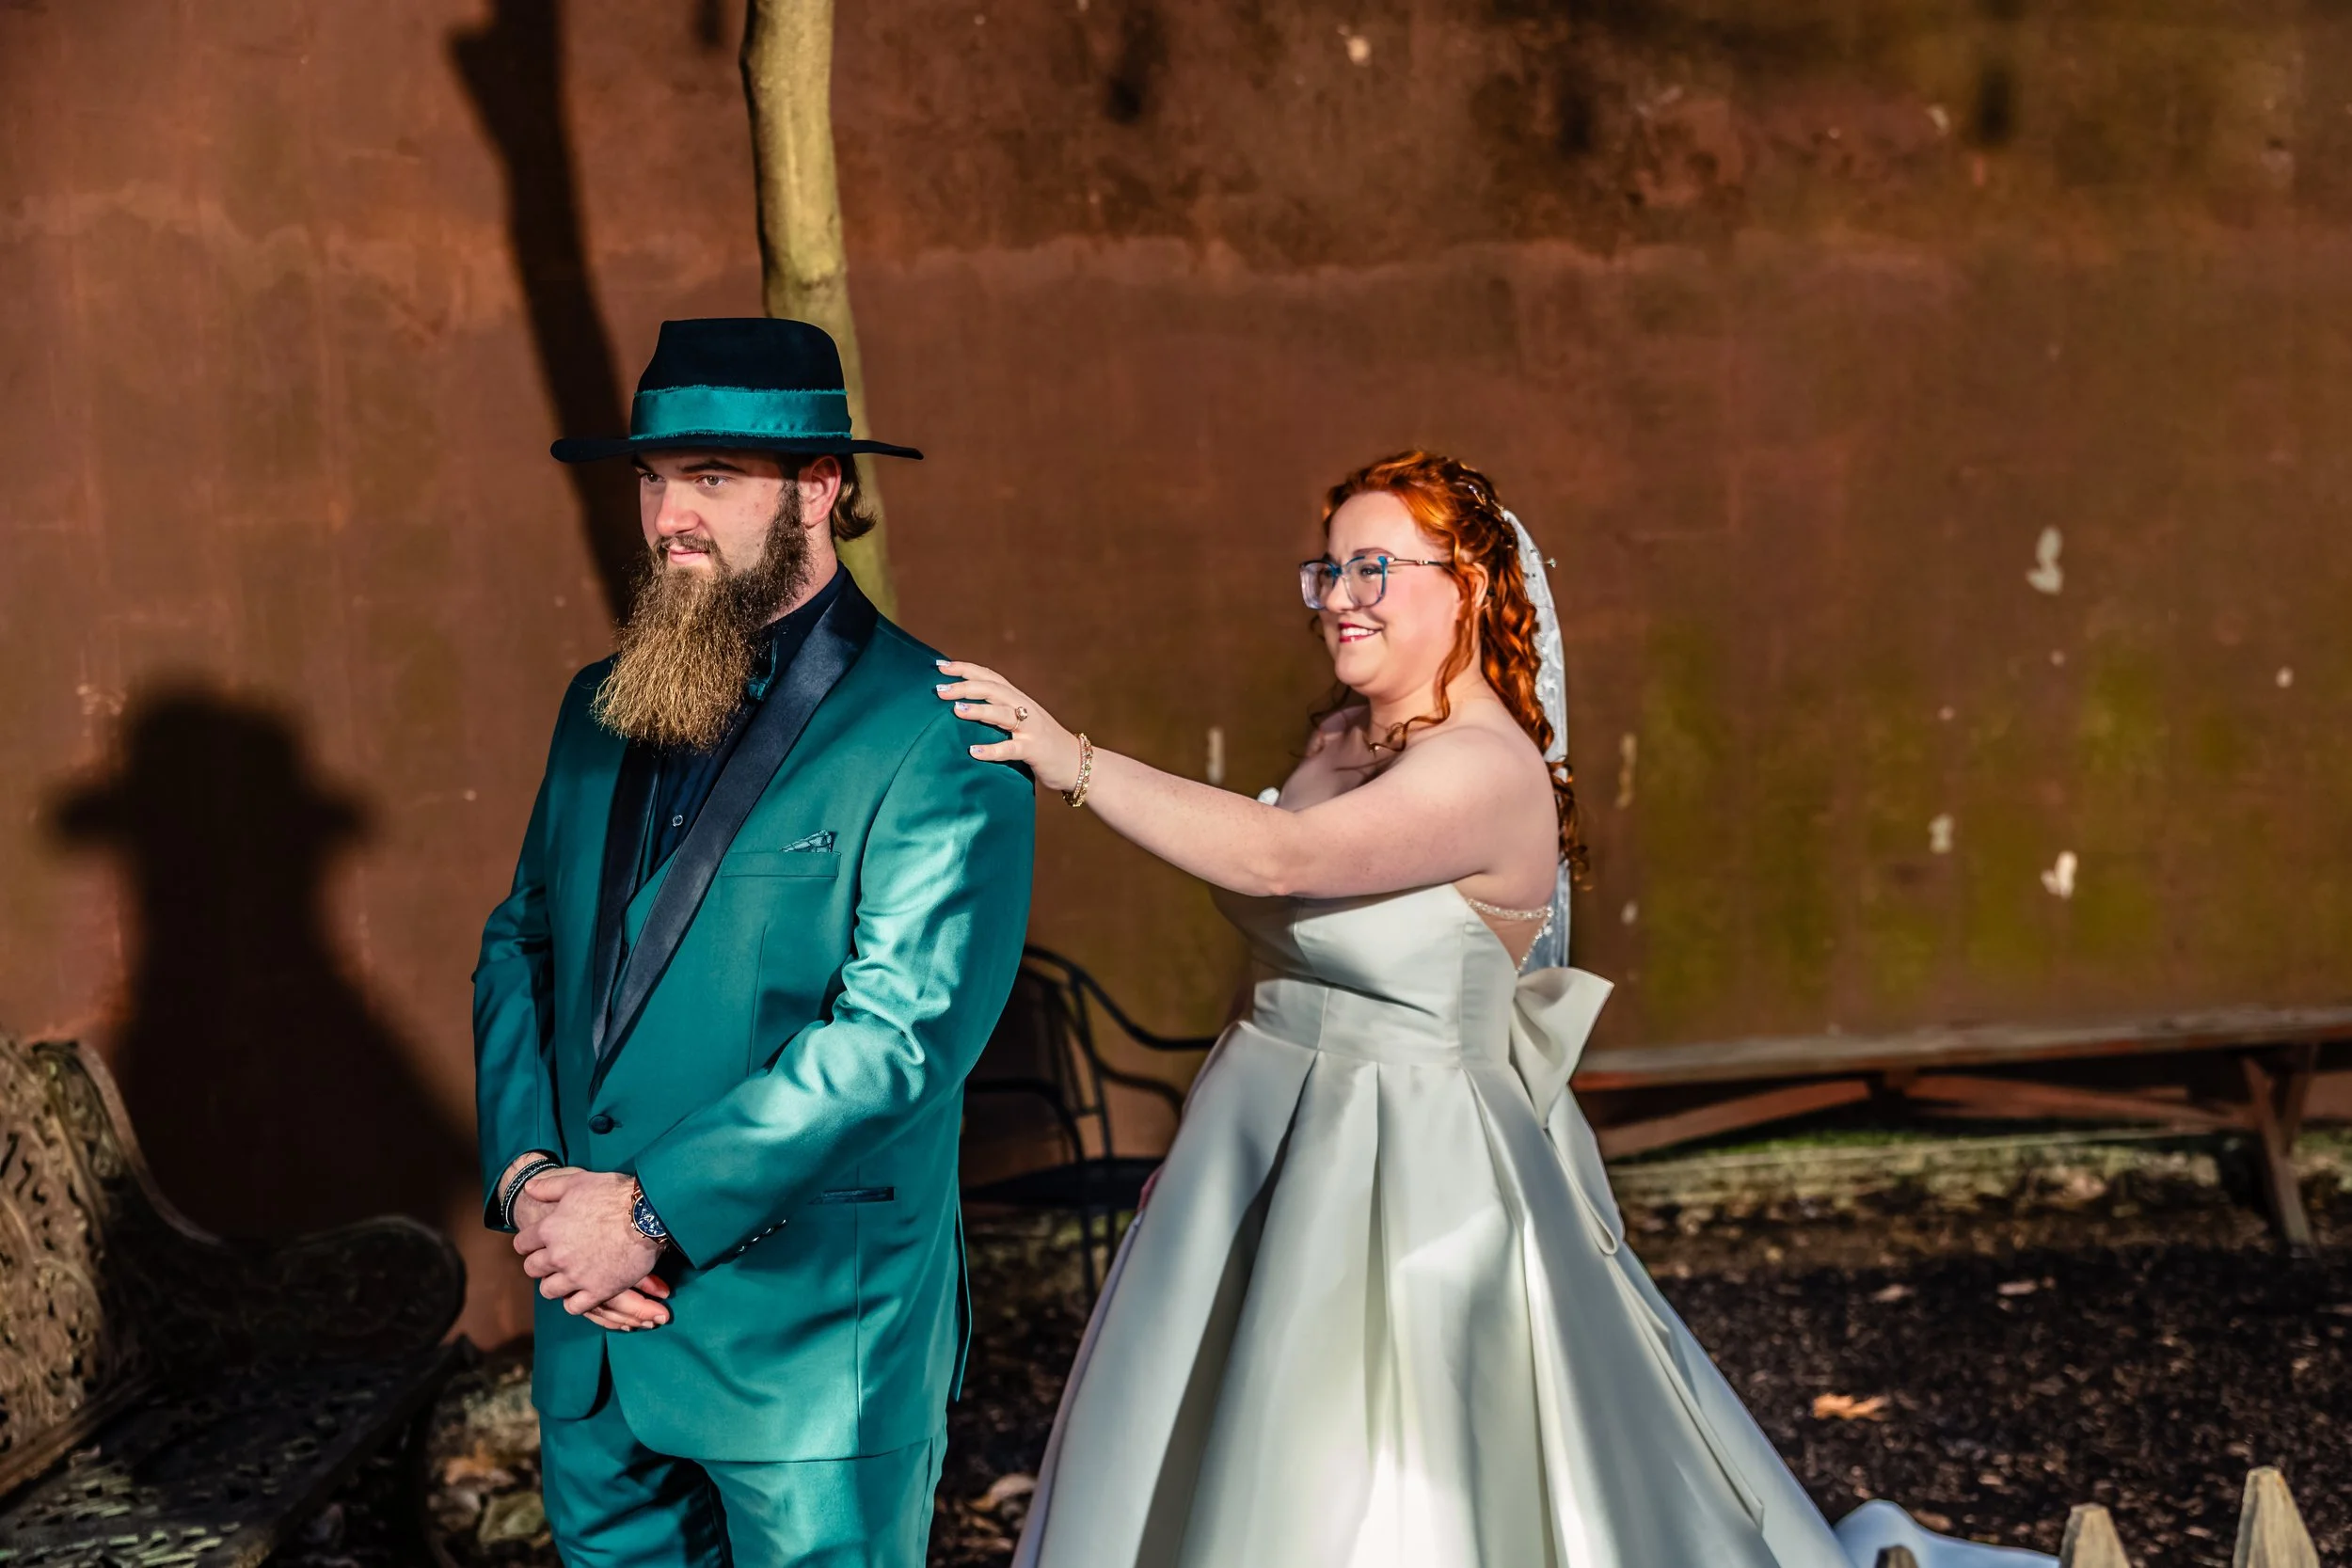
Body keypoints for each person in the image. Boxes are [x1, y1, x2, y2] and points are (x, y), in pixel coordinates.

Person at [939, 451, 2051, 1568]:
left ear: (1468, 581)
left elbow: (1281, 863)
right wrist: (1202, 1142)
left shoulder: (1483, 769)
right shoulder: (1338, 740)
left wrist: (1067, 756)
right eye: (1324, 571)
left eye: (1373, 566)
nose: (1339, 597)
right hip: (1251, 1143)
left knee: (1371, 1457)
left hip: (1410, 1168)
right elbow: (1281, 962)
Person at [473, 317, 1033, 1568]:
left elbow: (896, 1039)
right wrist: (526, 1181)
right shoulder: (592, 705)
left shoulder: (938, 729)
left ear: (822, 487)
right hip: (594, 1341)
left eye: (713, 478)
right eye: (655, 476)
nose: (670, 513)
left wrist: (649, 1210)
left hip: (806, 1353)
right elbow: (522, 945)